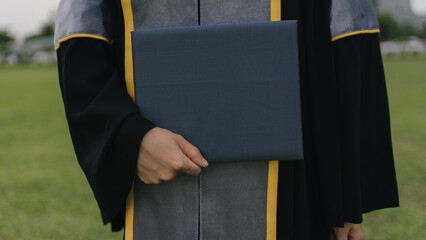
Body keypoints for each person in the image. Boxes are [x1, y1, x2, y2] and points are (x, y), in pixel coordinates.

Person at [55, 0, 399, 239]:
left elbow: (347, 28)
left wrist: (344, 197)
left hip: (292, 180)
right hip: (156, 175)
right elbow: (80, 33)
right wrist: (128, 136)